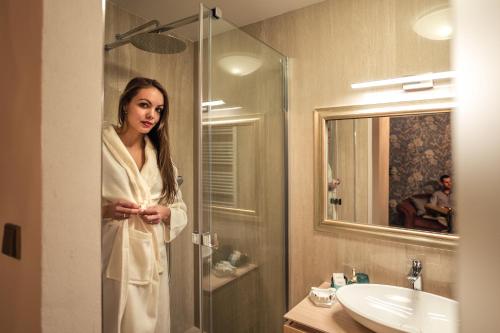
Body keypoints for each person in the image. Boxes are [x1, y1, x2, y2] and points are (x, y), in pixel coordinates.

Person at [101, 77, 187, 333]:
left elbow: (180, 208)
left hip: (152, 256)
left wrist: (165, 212)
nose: (151, 115)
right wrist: (105, 210)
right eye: (144, 105)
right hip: (114, 252)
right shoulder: (100, 145)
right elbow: (72, 201)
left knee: (153, 322)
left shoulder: (161, 156)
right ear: (125, 104)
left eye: (158, 110)